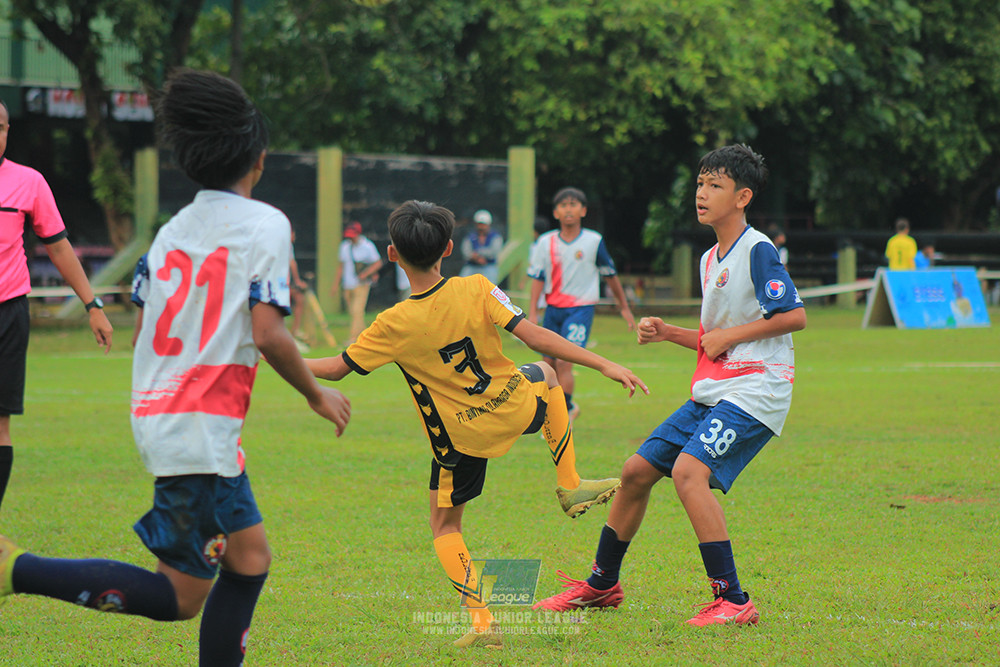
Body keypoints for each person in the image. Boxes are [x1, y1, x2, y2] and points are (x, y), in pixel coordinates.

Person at [0, 69, 351, 666]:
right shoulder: (267, 223)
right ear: (258, 158)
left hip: (169, 414)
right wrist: (316, 393)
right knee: (181, 595)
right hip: (200, 428)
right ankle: (15, 569)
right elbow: (268, 332)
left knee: (250, 559)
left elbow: (151, 318)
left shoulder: (172, 232)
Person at [305, 200, 648, 648]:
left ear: (391, 254)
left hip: (461, 438)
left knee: (445, 528)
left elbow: (334, 368)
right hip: (514, 407)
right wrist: (603, 363)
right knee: (544, 374)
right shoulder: (479, 287)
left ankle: (483, 623)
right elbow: (536, 336)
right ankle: (570, 481)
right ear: (449, 248)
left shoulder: (391, 323)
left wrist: (274, 355)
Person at [533, 144, 806, 627]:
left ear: (742, 196)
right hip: (715, 389)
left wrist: (725, 336)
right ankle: (602, 585)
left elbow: (793, 316)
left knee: (687, 472)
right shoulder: (709, 259)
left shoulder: (758, 249)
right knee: (636, 471)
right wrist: (670, 334)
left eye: (715, 185)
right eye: (700, 183)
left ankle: (734, 600)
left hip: (756, 392)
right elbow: (714, 342)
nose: (702, 193)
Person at [0, 97, 114, 515]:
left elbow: (60, 249)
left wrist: (93, 305)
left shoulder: (28, 183)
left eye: (0, 127)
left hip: (9, 311)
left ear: (8, 132)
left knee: (1, 423)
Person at [527, 187, 635, 422]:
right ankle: (566, 406)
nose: (568, 209)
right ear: (555, 212)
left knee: (565, 360)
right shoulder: (545, 243)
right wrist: (533, 312)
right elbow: (537, 278)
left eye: (573, 204)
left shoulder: (593, 241)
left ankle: (562, 414)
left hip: (580, 309)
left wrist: (623, 307)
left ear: (583, 210)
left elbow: (610, 275)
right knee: (548, 363)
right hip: (553, 310)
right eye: (563, 205)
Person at [337, 221, 383, 345]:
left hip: (362, 284)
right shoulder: (344, 246)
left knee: (357, 310)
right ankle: (365, 337)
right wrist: (336, 285)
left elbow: (378, 263)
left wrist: (366, 273)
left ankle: (353, 339)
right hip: (348, 284)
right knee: (353, 313)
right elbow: (341, 266)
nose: (351, 238)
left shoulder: (367, 246)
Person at [459, 209, 503, 284]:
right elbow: (466, 251)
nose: (481, 227)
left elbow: (495, 251)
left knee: (490, 287)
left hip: (489, 266)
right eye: (479, 224)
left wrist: (478, 254)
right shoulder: (470, 237)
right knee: (462, 283)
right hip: (472, 266)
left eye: (483, 224)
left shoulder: (495, 236)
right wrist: (476, 258)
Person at [288, 227, 310, 347]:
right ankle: (290, 334)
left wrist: (296, 281)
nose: (294, 238)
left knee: (299, 300)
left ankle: (294, 332)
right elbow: (292, 263)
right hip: (281, 282)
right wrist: (296, 281)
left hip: (285, 282)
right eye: (293, 234)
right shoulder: (284, 244)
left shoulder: (289, 246)